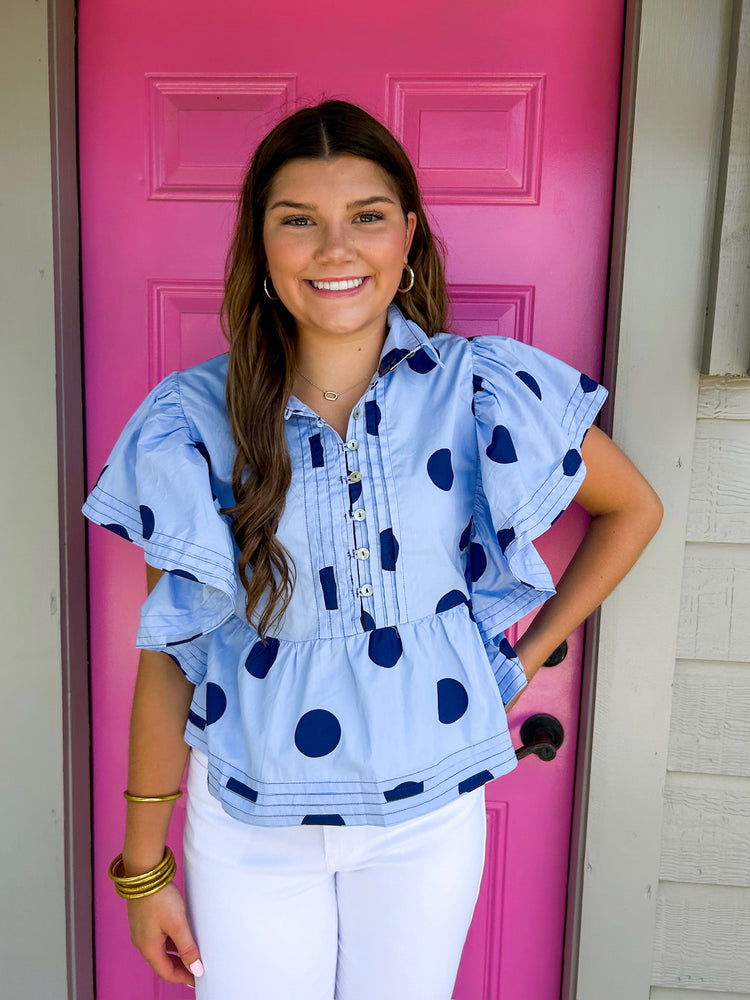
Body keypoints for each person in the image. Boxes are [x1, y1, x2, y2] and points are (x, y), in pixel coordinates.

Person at [82, 100, 663, 1000]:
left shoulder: (480, 389)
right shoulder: (190, 421)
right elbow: (171, 651)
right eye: (298, 220)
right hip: (248, 822)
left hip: (428, 818)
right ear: (261, 244)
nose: (335, 248)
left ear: (408, 237)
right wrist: (143, 867)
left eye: (367, 216)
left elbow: (633, 509)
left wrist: (522, 660)